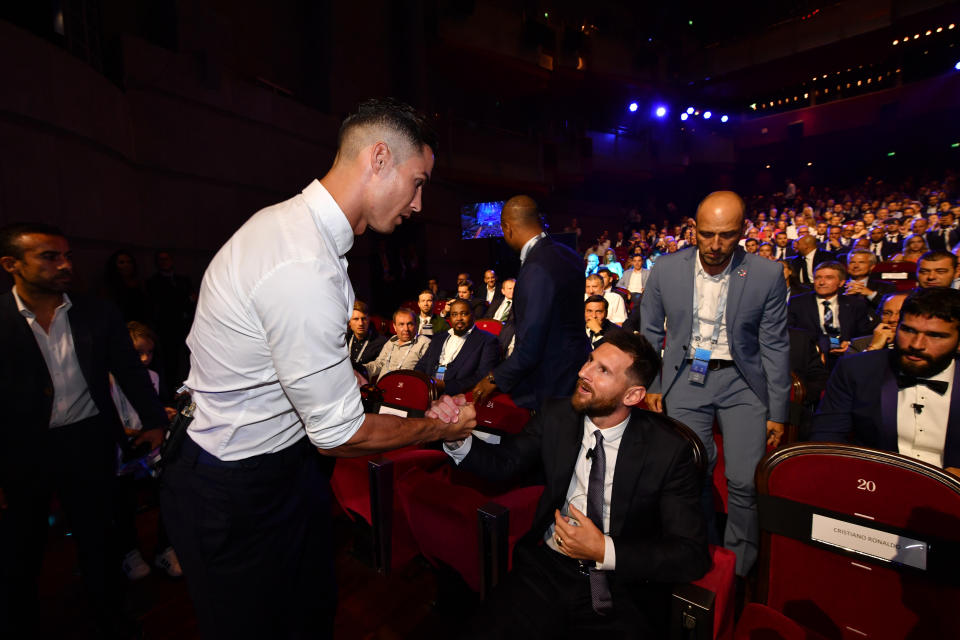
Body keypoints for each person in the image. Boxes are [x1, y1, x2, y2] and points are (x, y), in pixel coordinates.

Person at [159, 99, 477, 640]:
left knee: (309, 611)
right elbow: (339, 434)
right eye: (418, 182)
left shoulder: (296, 232)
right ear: (378, 159)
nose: (420, 204)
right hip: (235, 486)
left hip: (280, 466)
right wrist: (439, 428)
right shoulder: (303, 263)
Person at [437, 332, 709, 638]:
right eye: (590, 360)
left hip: (621, 585)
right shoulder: (557, 415)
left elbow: (691, 555)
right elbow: (506, 463)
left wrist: (603, 549)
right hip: (548, 568)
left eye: (602, 370)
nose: (583, 371)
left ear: (632, 395)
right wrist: (457, 437)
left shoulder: (668, 451)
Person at [0, 222, 168, 639]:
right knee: (23, 547)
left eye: (68, 255)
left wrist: (155, 422)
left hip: (88, 441)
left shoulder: (97, 312)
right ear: (11, 265)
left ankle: (112, 618)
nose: (64, 265)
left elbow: (129, 371)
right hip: (23, 451)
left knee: (99, 539)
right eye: (49, 256)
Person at [641, 191, 789, 577]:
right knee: (691, 471)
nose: (715, 245)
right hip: (686, 375)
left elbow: (774, 345)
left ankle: (739, 568)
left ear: (742, 230)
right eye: (706, 234)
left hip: (743, 382)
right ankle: (699, 550)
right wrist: (653, 382)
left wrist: (779, 411)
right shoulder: (666, 269)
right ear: (694, 228)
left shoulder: (767, 274)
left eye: (726, 235)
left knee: (743, 481)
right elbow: (650, 333)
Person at [812, 288, 960, 475]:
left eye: (935, 335)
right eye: (908, 330)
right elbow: (827, 439)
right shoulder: (857, 369)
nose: (916, 345)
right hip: (873, 485)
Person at [470, 195, 590, 409]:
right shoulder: (569, 255)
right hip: (574, 371)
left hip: (547, 383)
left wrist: (494, 378)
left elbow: (532, 344)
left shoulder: (536, 267)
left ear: (507, 227)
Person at [787, 262, 875, 366]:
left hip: (846, 356)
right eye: (818, 277)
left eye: (829, 278)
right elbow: (790, 331)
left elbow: (864, 333)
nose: (821, 282)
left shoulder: (855, 304)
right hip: (811, 357)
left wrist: (851, 344)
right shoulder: (798, 302)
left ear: (841, 282)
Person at [414, 299, 499, 395]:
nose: (459, 318)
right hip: (426, 389)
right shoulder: (439, 337)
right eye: (454, 314)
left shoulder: (487, 340)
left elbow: (482, 376)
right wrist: (420, 382)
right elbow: (422, 365)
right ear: (450, 317)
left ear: (473, 315)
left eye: (464, 314)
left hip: (456, 394)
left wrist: (445, 385)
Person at [363, 308, 430, 382]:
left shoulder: (424, 343)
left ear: (416, 325)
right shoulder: (391, 341)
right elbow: (379, 364)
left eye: (410, 324)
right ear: (394, 327)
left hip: (405, 388)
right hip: (382, 388)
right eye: (401, 324)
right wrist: (360, 369)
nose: (406, 329)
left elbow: (427, 372)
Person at [348, 300, 387, 370]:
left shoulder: (381, 342)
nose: (360, 323)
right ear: (349, 322)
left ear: (369, 319)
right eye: (356, 319)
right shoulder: (343, 338)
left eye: (364, 319)